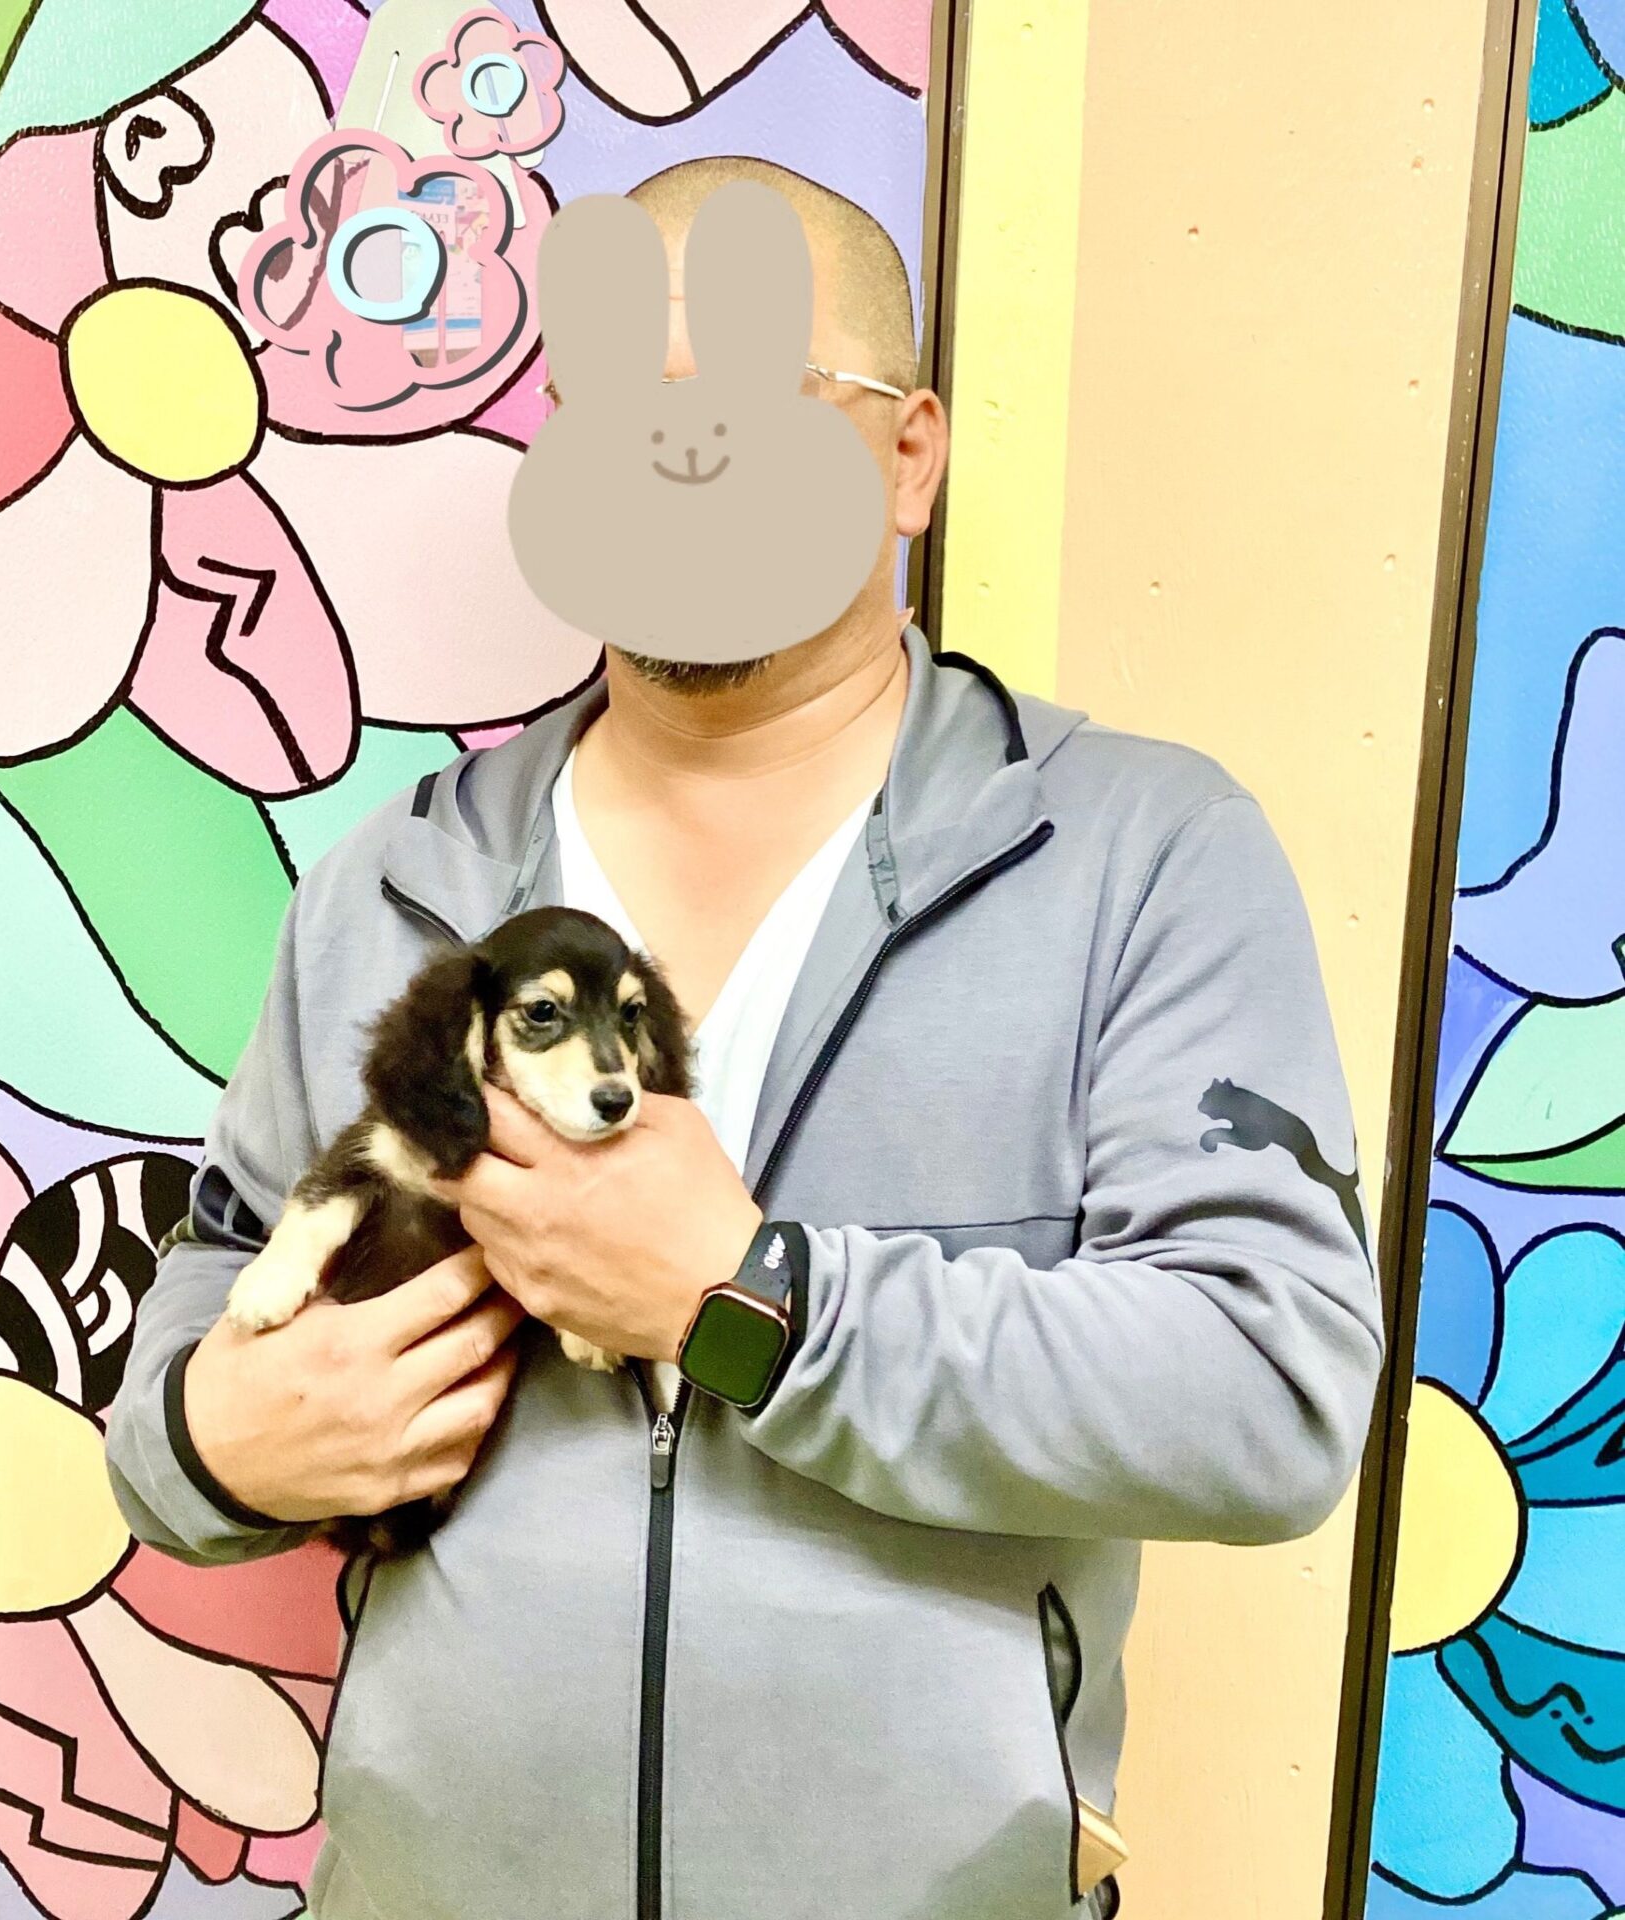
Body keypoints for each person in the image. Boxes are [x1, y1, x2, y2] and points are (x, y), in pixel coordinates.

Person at [107, 156, 1383, 1920]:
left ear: (910, 456)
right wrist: (216, 1442)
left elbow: (1270, 1393)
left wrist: (750, 1303)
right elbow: (204, 1313)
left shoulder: (1144, 856)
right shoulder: (388, 886)